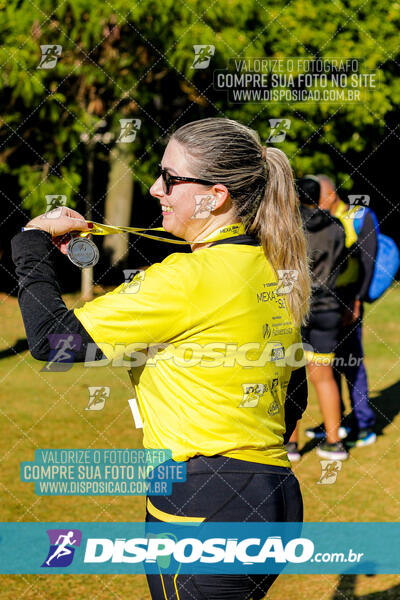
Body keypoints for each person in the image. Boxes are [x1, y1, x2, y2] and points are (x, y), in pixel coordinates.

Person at [12, 117, 310, 599]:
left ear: (215, 195)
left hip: (202, 502)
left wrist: (29, 242)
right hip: (274, 495)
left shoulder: (185, 277)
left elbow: (53, 343)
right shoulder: (268, 265)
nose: (155, 189)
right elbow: (290, 391)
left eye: (170, 179)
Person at [286, 176, 349, 462]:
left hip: (296, 309)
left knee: (291, 379)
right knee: (324, 379)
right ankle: (335, 443)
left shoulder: (290, 227)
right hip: (328, 309)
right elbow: (344, 263)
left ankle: (291, 445)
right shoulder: (336, 227)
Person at [313, 175, 377, 447]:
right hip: (326, 306)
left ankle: (363, 424)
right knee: (328, 366)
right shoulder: (320, 222)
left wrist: (358, 301)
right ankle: (336, 423)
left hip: (350, 304)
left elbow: (368, 260)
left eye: (317, 199)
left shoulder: (359, 216)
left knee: (352, 363)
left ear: (329, 196)